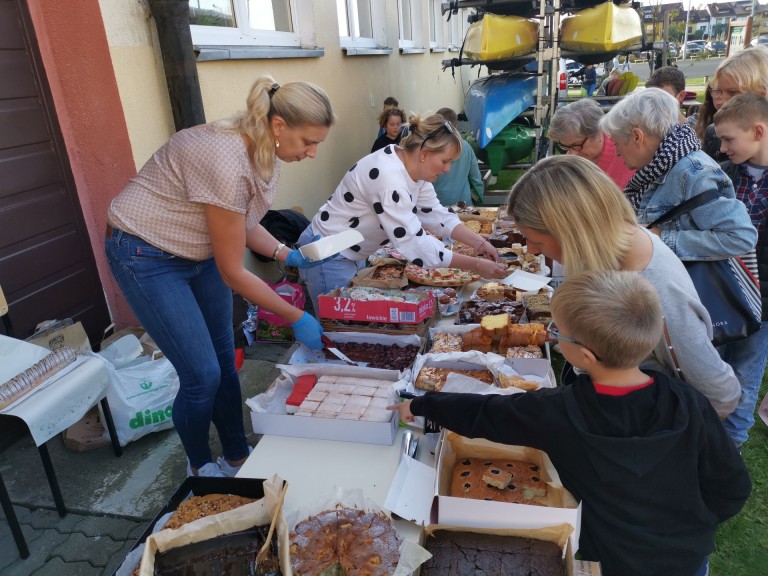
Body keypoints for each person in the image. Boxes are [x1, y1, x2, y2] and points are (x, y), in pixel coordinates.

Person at [389, 269, 751, 576]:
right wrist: (690, 529)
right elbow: (731, 487)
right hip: (685, 558)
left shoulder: (560, 411)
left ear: (586, 356)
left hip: (605, 560)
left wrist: (421, 404)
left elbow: (487, 414)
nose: (551, 336)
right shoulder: (688, 400)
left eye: (557, 332)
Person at [105, 76, 334, 477]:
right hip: (145, 253)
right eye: (308, 142)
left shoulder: (265, 148)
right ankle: (199, 465)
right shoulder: (226, 159)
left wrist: (286, 253)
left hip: (197, 248)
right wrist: (296, 316)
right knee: (201, 375)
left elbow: (241, 220)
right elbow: (233, 272)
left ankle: (236, 455)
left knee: (225, 361)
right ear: (279, 126)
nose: (312, 153)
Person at [506, 155, 741, 417]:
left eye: (535, 240)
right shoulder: (601, 250)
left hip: (643, 425)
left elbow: (720, 393)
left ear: (571, 232)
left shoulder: (656, 286)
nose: (531, 250)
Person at [298, 114, 508, 311]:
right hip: (329, 252)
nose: (447, 169)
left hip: (347, 251)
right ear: (424, 154)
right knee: (336, 326)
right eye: (445, 161)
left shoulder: (412, 169)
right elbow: (415, 244)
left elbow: (438, 216)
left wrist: (480, 244)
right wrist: (476, 265)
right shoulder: (390, 180)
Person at [714, 92, 768, 446]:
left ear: (758, 132)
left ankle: (730, 449)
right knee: (710, 373)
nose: (722, 148)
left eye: (728, 139)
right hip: (719, 294)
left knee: (745, 378)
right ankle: (703, 441)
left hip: (762, 305)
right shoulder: (723, 174)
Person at [547, 98, 635, 189]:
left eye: (576, 145)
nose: (571, 154)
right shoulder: (573, 161)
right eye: (566, 147)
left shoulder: (628, 155)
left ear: (598, 132)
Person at [702, 45, 768, 162]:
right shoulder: (715, 134)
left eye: (733, 93)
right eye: (719, 91)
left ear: (762, 94)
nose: (722, 102)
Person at [432, 107, 483, 206]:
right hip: (464, 204)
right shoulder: (466, 147)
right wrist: (478, 199)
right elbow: (476, 179)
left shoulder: (433, 148)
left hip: (438, 205)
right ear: (456, 125)